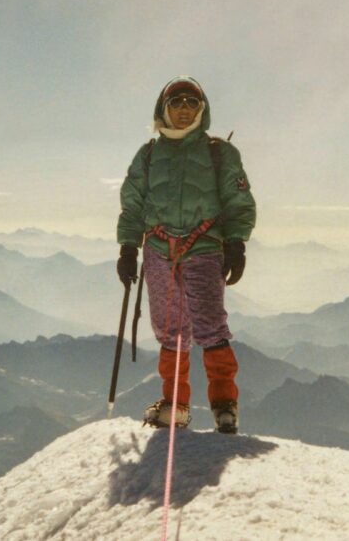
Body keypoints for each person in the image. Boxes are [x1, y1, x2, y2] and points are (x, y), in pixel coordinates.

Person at [115, 76, 257, 433]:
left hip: (205, 248)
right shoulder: (148, 155)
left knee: (210, 326)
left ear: (202, 110)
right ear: (163, 109)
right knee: (169, 330)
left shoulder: (219, 153)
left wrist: (237, 242)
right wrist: (128, 247)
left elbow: (238, 200)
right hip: (159, 251)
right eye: (176, 102)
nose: (183, 109)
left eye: (191, 103)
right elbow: (132, 205)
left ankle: (225, 406)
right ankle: (176, 406)